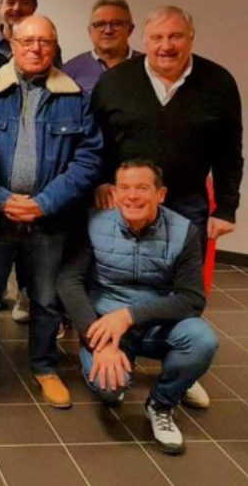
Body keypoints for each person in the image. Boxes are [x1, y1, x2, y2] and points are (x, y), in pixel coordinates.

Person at [0, 15, 102, 409]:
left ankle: (44, 366)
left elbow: (88, 160)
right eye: (27, 41)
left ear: (54, 46)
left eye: (44, 42)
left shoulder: (75, 97)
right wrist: (0, 199)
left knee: (46, 299)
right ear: (13, 43)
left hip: (49, 219)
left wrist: (44, 203)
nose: (36, 48)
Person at [57, 160, 218, 454]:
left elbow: (191, 298)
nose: (132, 196)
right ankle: (112, 365)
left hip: (157, 323)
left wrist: (129, 316)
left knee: (202, 340)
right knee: (109, 390)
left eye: (142, 188)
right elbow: (69, 281)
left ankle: (162, 403)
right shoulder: (93, 222)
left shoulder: (185, 231)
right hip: (105, 328)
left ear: (161, 194)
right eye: (125, 188)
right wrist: (98, 343)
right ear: (115, 192)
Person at [91, 5, 243, 249]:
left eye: (176, 36)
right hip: (123, 202)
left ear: (191, 38)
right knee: (119, 270)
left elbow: (229, 152)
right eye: (157, 37)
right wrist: (100, 182)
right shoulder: (113, 81)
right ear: (145, 40)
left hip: (188, 204)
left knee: (184, 272)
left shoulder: (219, 82)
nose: (166, 46)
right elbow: (93, 141)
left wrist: (226, 208)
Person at [63, 0, 142, 93]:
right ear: (90, 31)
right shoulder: (70, 71)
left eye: (116, 24)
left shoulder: (149, 66)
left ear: (130, 29)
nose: (108, 31)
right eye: (100, 24)